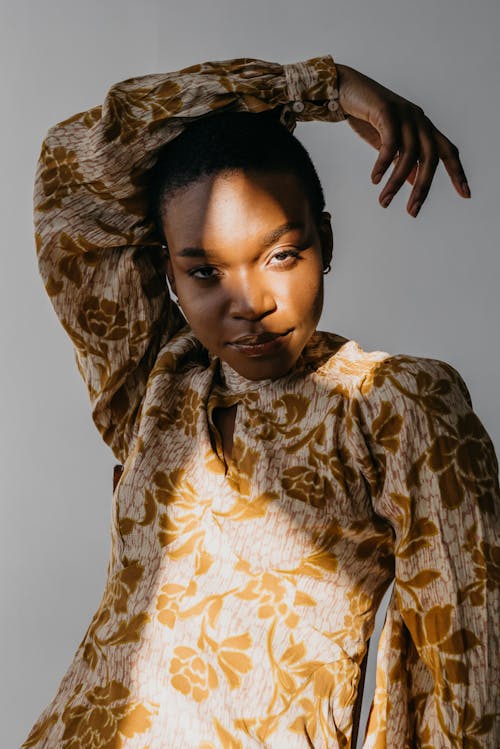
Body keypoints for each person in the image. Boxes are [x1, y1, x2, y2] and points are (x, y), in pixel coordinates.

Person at [22, 55, 498, 748]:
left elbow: (469, 661)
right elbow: (71, 168)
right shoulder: (155, 380)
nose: (248, 304)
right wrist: (323, 88)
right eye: (206, 271)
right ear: (170, 276)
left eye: (280, 255)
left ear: (324, 241)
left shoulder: (395, 403)